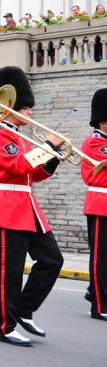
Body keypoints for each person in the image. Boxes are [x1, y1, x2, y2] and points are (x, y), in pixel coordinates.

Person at [0, 66, 64, 346]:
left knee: (53, 259)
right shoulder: (0, 135)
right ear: (10, 108)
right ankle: (3, 326)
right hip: (8, 205)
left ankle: (23, 310)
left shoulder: (20, 136)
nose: (30, 113)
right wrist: (48, 149)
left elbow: (34, 174)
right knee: (10, 271)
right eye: (25, 108)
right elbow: (16, 166)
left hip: (26, 203)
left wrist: (52, 157)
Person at [80, 88, 107, 321]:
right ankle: (99, 305)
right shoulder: (94, 143)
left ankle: (93, 291)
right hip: (100, 203)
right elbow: (96, 174)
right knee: (101, 256)